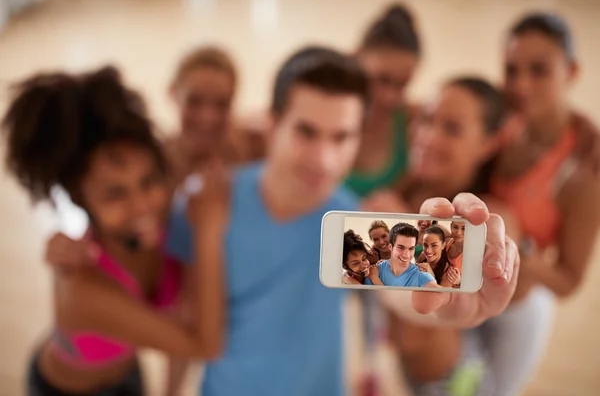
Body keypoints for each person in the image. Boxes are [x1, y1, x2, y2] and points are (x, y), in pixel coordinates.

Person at [42, 49, 520, 396]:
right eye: (306, 132)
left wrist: (441, 305)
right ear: (271, 123)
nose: (323, 158)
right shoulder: (206, 204)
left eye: (342, 137)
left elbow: (397, 288)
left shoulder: (355, 219)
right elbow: (182, 311)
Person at [1, 67, 224, 395]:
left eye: (148, 182)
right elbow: (204, 345)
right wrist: (208, 234)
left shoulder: (158, 217)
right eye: (115, 193)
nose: (142, 205)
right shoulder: (82, 290)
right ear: (81, 200)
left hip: (128, 374)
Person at [364, 77, 514, 395]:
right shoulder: (399, 193)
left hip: (453, 386)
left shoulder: (489, 217)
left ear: (489, 143)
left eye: (453, 129)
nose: (428, 137)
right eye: (428, 120)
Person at [477, 12, 600, 396]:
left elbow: (569, 281)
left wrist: (514, 256)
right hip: (464, 290)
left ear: (572, 71)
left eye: (540, 70)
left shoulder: (584, 170)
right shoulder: (501, 125)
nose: (521, 84)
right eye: (511, 70)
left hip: (517, 313)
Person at [164, 45, 265, 190]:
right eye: (194, 101)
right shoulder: (156, 164)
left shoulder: (256, 150)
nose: (208, 118)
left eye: (221, 104)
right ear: (173, 93)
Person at [346, 3, 421, 198]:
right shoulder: (325, 112)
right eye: (382, 79)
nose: (390, 97)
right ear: (355, 57)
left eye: (402, 85)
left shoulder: (413, 123)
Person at [365, 223, 436, 287]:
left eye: (411, 248)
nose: (406, 255)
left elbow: (440, 293)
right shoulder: (374, 272)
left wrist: (431, 276)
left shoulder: (421, 274)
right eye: (401, 248)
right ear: (390, 246)